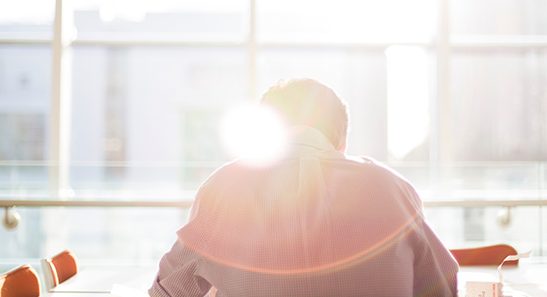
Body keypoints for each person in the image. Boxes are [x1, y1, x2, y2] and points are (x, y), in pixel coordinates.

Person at [149, 78, 458, 297]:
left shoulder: (223, 189)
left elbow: (167, 293)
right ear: (342, 141)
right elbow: (443, 285)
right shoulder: (393, 188)